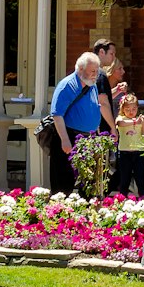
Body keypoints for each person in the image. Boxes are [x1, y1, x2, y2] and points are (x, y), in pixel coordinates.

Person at [46, 51, 106, 186]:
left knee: (90, 185)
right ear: (80, 69)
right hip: (70, 136)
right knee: (63, 183)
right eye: (92, 71)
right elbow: (57, 114)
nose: (95, 75)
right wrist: (65, 140)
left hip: (88, 139)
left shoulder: (92, 85)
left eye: (97, 71)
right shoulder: (67, 85)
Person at [112, 93, 144, 197]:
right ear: (122, 109)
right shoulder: (121, 118)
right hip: (124, 153)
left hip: (139, 153)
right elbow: (120, 123)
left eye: (133, 109)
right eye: (127, 109)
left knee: (140, 179)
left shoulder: (139, 120)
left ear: (137, 108)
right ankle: (122, 199)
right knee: (124, 179)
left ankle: (143, 199)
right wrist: (134, 122)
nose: (131, 112)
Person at [90, 39, 120, 130]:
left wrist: (117, 90)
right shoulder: (100, 74)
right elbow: (102, 103)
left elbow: (99, 97)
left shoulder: (87, 72)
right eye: (111, 54)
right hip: (99, 127)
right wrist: (112, 127)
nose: (114, 57)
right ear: (102, 52)